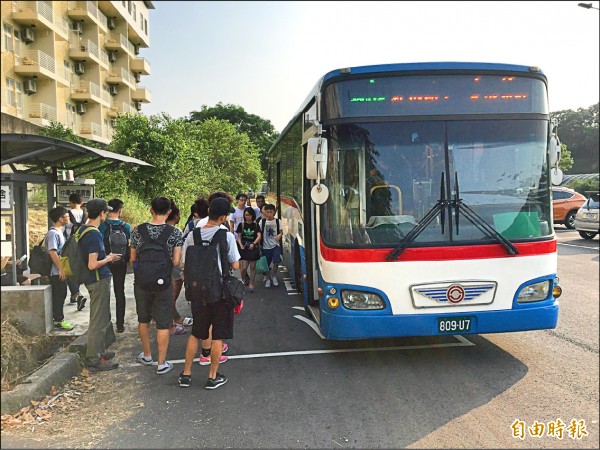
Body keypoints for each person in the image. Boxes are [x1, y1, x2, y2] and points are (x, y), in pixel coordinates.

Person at [178, 197, 240, 389]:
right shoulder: (226, 236)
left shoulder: (192, 235)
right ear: (222, 217)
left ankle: (186, 374)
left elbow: (184, 263)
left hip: (197, 291)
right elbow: (236, 264)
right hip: (219, 292)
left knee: (196, 333)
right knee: (217, 336)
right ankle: (212, 377)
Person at [130, 196, 183, 375]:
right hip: (164, 282)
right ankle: (161, 363)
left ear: (150, 210)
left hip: (142, 282)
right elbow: (176, 262)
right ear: (169, 212)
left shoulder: (138, 231)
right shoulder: (175, 232)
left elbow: (132, 258)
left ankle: (146, 355)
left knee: (143, 319)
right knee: (162, 322)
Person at [78, 199, 121, 371]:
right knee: (98, 320)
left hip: (91, 280)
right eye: (105, 212)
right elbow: (92, 264)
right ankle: (94, 359)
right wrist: (109, 258)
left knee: (102, 317)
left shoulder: (82, 229)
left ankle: (100, 351)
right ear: (102, 213)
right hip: (97, 280)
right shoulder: (94, 233)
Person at [98, 198, 131, 333]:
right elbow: (129, 244)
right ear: (120, 210)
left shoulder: (102, 225)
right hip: (121, 261)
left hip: (106, 260)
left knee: (104, 293)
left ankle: (105, 323)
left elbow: (99, 242)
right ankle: (120, 324)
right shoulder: (126, 226)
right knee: (119, 292)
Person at [45, 206, 74, 331]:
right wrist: (61, 268)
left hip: (60, 270)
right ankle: (58, 320)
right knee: (59, 294)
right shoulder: (53, 233)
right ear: (60, 219)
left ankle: (57, 318)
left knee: (61, 294)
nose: (68, 218)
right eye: (66, 216)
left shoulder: (59, 232)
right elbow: (53, 252)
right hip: (56, 271)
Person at [166, 200, 192, 335]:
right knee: (171, 296)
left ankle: (175, 317)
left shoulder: (152, 229)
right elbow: (178, 256)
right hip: (173, 268)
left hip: (157, 269)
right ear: (175, 216)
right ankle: (171, 323)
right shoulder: (175, 232)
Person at [63, 193, 88, 311]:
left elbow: (63, 230)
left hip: (69, 246)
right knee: (78, 268)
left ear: (71, 202)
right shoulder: (86, 214)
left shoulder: (67, 214)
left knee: (69, 270)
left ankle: (76, 294)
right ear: (81, 203)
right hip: (83, 245)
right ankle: (75, 295)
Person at [236, 206, 261, 293]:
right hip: (244, 248)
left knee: (253, 267)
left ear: (252, 216)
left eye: (249, 215)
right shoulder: (241, 225)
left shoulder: (256, 225)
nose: (247, 217)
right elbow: (239, 237)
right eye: (246, 215)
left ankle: (251, 283)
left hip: (253, 247)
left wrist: (253, 244)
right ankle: (243, 280)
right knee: (244, 267)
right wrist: (240, 245)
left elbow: (259, 236)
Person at [259, 203, 283, 288]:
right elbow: (259, 233)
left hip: (275, 245)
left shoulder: (278, 221)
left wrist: (279, 235)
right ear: (265, 212)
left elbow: (281, 231)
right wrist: (259, 244)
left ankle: (274, 276)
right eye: (267, 212)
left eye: (271, 212)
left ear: (274, 212)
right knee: (266, 264)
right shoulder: (262, 222)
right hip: (265, 246)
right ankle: (268, 279)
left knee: (276, 261)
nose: (269, 214)